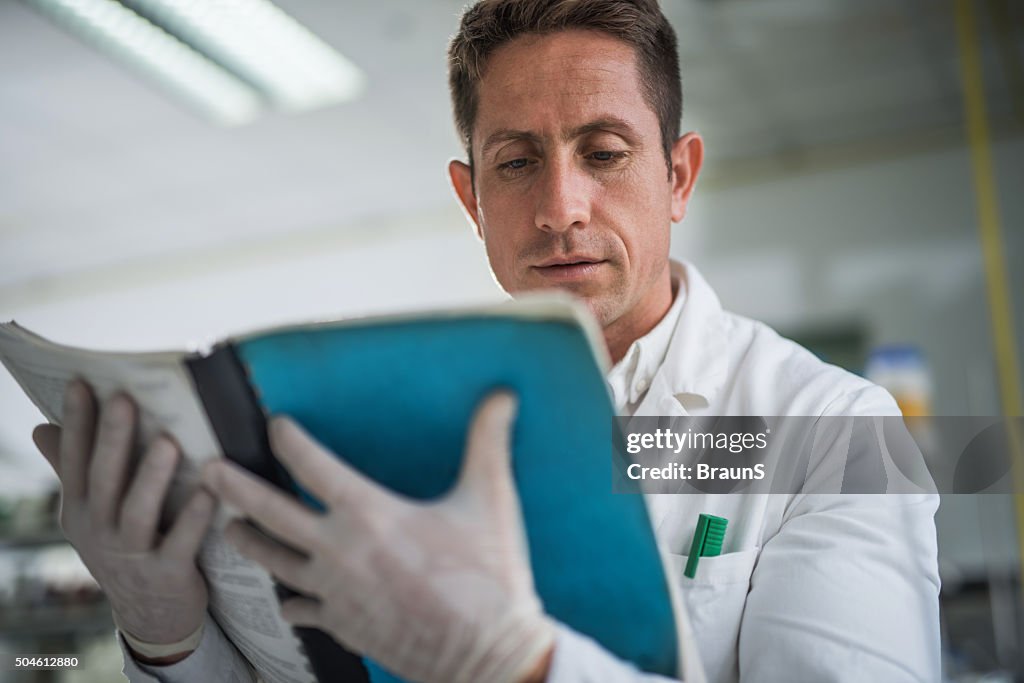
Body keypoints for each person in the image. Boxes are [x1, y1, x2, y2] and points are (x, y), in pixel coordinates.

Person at [31, 1, 941, 681]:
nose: (560, 208)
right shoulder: (389, 416)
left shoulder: (838, 431)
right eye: (516, 162)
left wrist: (515, 661)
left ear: (678, 175)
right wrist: (166, 635)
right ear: (472, 199)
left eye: (604, 152)